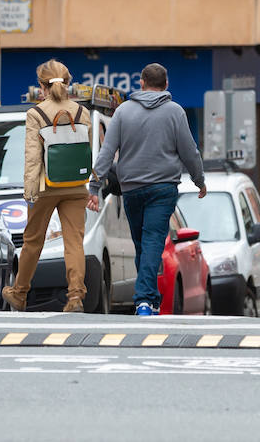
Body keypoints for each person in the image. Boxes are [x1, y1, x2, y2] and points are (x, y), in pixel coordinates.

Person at [88, 63, 206, 316]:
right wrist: (199, 180)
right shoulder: (175, 112)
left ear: (141, 83)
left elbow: (106, 153)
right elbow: (190, 152)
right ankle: (145, 298)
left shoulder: (123, 112)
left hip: (131, 189)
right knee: (150, 243)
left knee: (143, 244)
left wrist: (94, 187)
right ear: (166, 85)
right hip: (163, 188)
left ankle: (149, 299)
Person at [2, 59, 93, 313]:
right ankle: (75, 296)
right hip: (76, 184)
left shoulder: (36, 114)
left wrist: (29, 191)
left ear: (41, 86)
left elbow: (33, 156)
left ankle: (19, 293)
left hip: (46, 186)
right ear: (68, 82)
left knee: (33, 242)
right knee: (74, 243)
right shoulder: (81, 112)